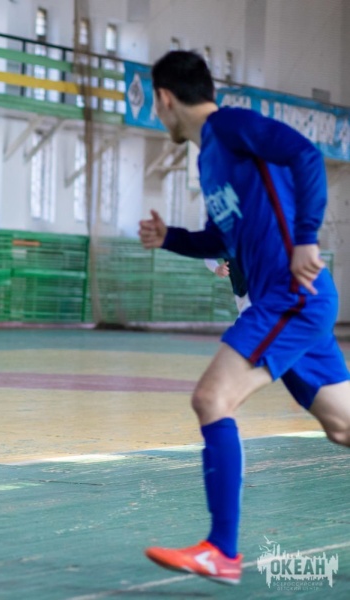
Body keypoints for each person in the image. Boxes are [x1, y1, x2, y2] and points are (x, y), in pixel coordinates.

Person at [138, 51, 350, 585]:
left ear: (164, 98)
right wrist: (170, 238)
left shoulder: (229, 126)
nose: (157, 115)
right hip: (293, 303)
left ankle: (221, 550)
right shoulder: (210, 159)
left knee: (211, 399)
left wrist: (306, 239)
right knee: (344, 427)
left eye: (156, 105)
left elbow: (305, 154)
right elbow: (222, 240)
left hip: (289, 297)